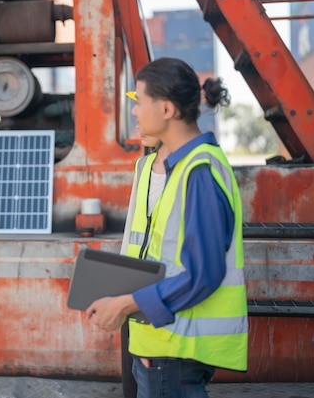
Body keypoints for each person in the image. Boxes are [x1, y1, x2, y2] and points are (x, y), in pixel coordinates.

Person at [88, 57, 247, 398]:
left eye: (140, 101)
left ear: (166, 109)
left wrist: (128, 303)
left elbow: (203, 274)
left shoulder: (199, 172)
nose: (134, 111)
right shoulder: (176, 165)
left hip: (175, 350)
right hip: (160, 342)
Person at [118, 128, 168, 398]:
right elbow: (132, 231)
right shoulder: (143, 165)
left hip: (165, 301)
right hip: (136, 295)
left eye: (143, 105)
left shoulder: (193, 170)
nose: (137, 121)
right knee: (136, 383)